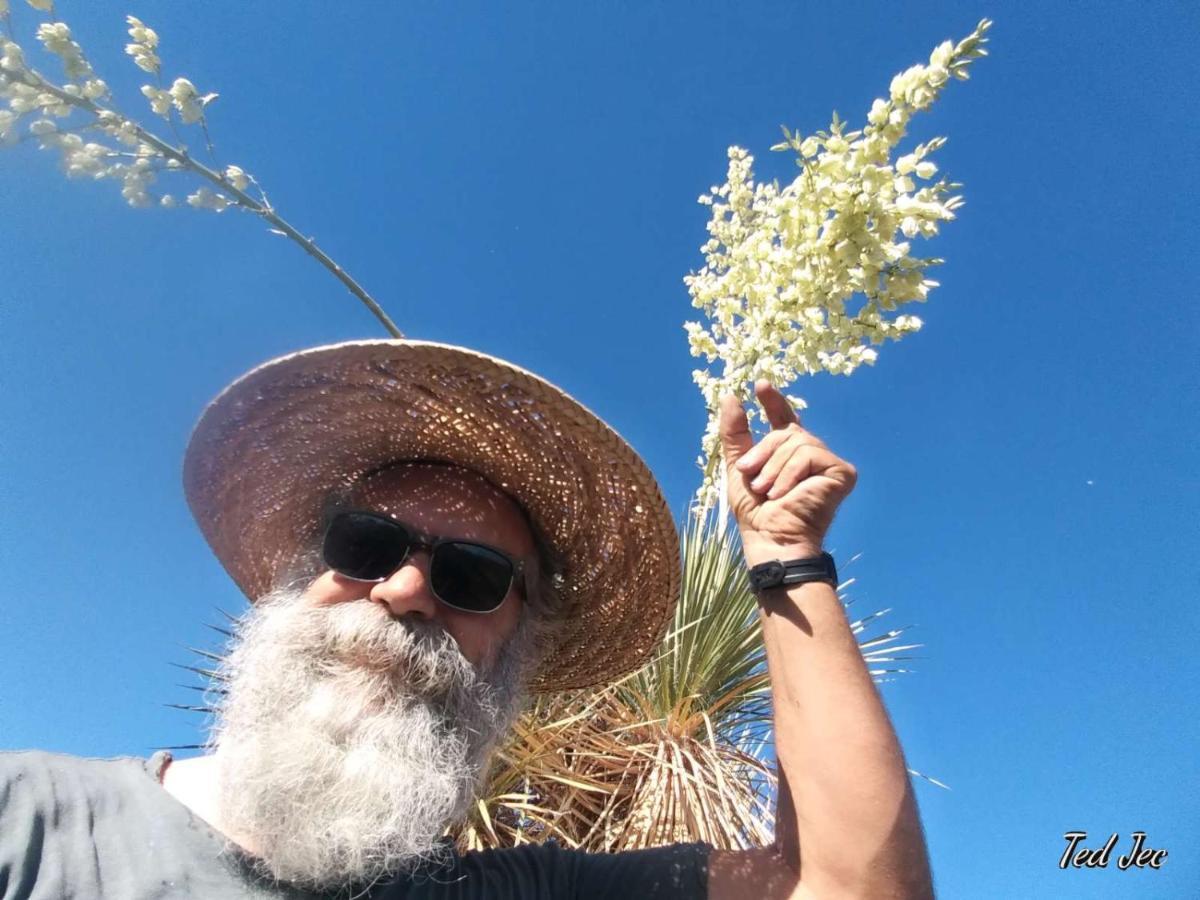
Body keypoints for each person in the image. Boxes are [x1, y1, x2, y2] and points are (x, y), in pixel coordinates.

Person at [0, 340, 934, 899]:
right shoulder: (28, 821)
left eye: (474, 577)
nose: (406, 592)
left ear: (517, 648)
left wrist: (783, 557)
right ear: (299, 574)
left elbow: (852, 887)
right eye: (365, 545)